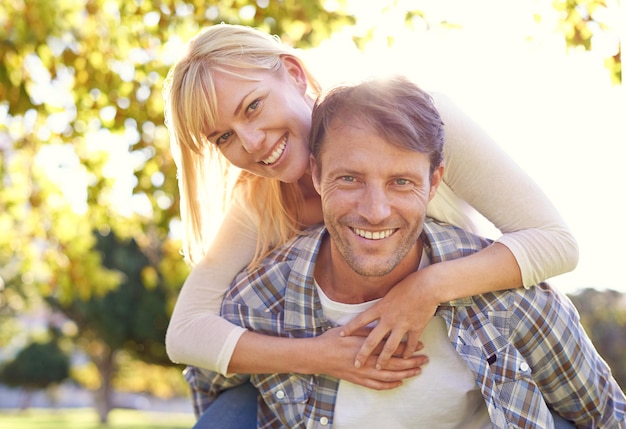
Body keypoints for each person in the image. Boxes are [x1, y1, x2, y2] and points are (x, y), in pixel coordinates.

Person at [163, 23, 579, 422]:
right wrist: (320, 355)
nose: (251, 142)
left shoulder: (420, 124)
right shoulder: (259, 201)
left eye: (253, 107)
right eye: (224, 137)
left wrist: (425, 289)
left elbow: (555, 242)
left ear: (292, 74)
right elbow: (185, 331)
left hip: (465, 369)